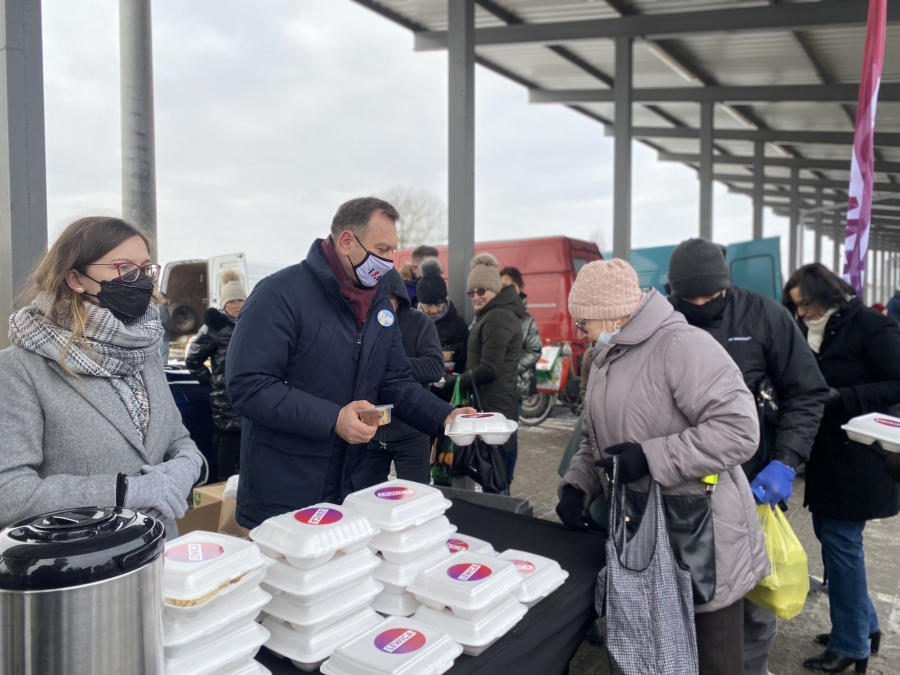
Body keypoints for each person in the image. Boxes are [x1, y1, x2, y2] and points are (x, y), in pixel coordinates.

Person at [557, 258, 768, 675]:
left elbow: (739, 430)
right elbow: (594, 438)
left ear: (612, 314)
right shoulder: (604, 357)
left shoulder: (683, 346)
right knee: (648, 657)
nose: (580, 333)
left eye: (583, 323)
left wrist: (651, 457)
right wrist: (579, 483)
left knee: (712, 660)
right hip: (638, 531)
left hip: (698, 535)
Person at [225, 197, 473, 528]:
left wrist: (445, 416)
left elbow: (395, 380)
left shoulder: (379, 305)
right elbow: (249, 385)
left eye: (392, 251)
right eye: (382, 249)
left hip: (347, 484)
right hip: (284, 490)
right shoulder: (279, 294)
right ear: (346, 242)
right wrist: (334, 419)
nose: (389, 261)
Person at [666, 238, 829, 675]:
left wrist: (786, 460)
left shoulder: (765, 316)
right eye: (689, 299)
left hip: (752, 485)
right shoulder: (665, 319)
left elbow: (807, 392)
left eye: (710, 297)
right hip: (683, 486)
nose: (700, 305)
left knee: (753, 593)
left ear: (726, 285)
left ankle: (753, 667)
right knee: (688, 592)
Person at [0, 216, 206, 537]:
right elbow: (9, 492)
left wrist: (188, 466)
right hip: (79, 558)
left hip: (158, 548)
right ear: (76, 279)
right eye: (124, 268)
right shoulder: (19, 368)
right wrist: (126, 492)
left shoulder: (144, 353)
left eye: (146, 269)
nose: (141, 280)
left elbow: (177, 439)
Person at [783, 263, 900, 674]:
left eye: (807, 305)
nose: (802, 313)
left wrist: (842, 397)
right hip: (828, 456)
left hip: (863, 456)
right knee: (832, 538)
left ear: (828, 295)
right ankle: (864, 626)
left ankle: (850, 644)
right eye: (797, 307)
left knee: (841, 542)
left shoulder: (871, 326)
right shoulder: (811, 329)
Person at [364, 269, 444, 486]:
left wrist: (390, 364)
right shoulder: (359, 322)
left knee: (416, 495)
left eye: (388, 299)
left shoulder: (420, 323)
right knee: (366, 496)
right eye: (375, 299)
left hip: (412, 429)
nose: (381, 306)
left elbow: (435, 367)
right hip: (369, 431)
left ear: (399, 299)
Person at [457, 253, 524, 493]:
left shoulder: (497, 317)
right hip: (495, 402)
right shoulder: (494, 314)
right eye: (471, 292)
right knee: (495, 475)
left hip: (495, 404)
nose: (476, 296)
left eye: (481, 290)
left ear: (495, 289)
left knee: (495, 478)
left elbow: (490, 368)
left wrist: (458, 381)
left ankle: (498, 515)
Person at [185, 270, 247, 482]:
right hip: (226, 396)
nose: (237, 305)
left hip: (250, 391)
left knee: (247, 440)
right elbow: (193, 359)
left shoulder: (252, 322)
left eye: (240, 300)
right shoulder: (215, 327)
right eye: (232, 301)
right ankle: (222, 485)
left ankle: (242, 483)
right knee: (229, 439)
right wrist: (213, 381)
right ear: (224, 304)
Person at [500, 266, 542, 490]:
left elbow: (534, 350)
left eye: (510, 286)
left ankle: (506, 480)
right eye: (502, 286)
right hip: (494, 386)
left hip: (515, 386)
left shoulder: (526, 319)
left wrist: (510, 368)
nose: (505, 290)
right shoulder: (492, 312)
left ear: (519, 288)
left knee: (510, 435)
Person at [416, 257, 469, 375]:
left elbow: (468, 355)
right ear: (420, 303)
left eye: (438, 304)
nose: (434, 310)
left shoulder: (458, 324)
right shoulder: (409, 321)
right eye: (428, 306)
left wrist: (454, 350)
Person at [157, 292, 173, 362]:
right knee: (164, 354)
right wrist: (171, 330)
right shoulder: (162, 307)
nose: (166, 301)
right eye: (165, 299)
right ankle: (164, 368)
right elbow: (165, 320)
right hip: (164, 335)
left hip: (158, 335)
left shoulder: (155, 306)